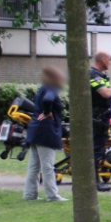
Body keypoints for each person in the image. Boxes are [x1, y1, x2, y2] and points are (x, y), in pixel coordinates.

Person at [23, 67, 68, 202]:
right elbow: (48, 100)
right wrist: (48, 112)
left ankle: (30, 195)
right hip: (45, 131)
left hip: (35, 130)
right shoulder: (51, 88)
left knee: (34, 166)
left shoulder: (42, 88)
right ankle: (52, 195)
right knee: (47, 165)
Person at [89, 50, 111, 192]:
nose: (110, 62)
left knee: (99, 149)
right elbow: (105, 93)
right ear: (102, 59)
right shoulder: (94, 75)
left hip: (102, 117)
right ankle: (94, 182)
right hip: (96, 118)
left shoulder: (101, 76)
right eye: (109, 59)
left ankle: (96, 179)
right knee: (95, 150)